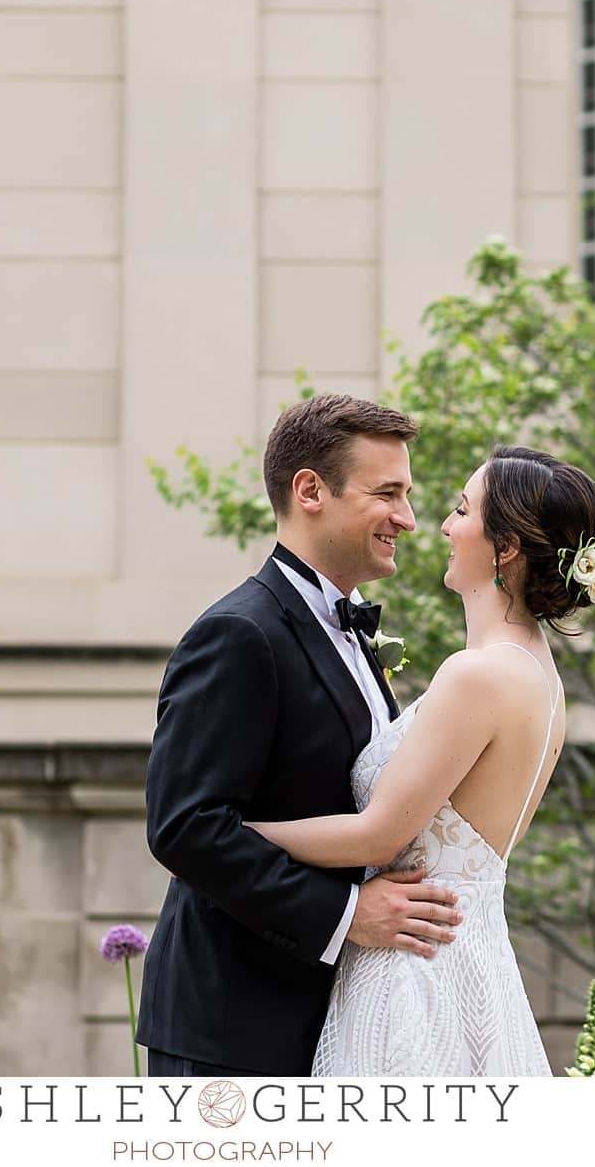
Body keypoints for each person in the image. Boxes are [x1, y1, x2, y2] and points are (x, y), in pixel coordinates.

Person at [250, 445, 595, 1076]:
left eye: (461, 509)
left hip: (414, 967)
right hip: (474, 957)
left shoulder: (477, 674)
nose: (441, 525)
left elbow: (380, 834)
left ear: (504, 547)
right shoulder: (541, 677)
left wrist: (233, 833)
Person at [138, 394, 465, 1077]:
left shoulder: (346, 628)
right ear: (310, 490)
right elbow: (185, 826)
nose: (407, 518)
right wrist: (347, 913)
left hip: (335, 1016)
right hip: (235, 1026)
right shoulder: (239, 634)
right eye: (388, 494)